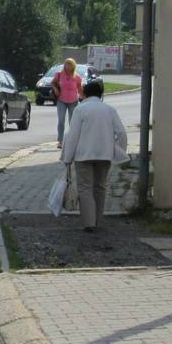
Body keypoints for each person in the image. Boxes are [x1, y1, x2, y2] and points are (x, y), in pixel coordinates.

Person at [60, 78, 128, 232]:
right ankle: (98, 220)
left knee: (85, 188)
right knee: (100, 187)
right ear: (101, 94)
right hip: (105, 154)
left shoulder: (80, 110)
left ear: (84, 94)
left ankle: (89, 223)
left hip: (83, 154)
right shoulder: (110, 110)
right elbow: (121, 133)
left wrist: (67, 157)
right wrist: (119, 151)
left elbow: (73, 136)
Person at [54, 58, 83, 145]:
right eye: (66, 64)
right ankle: (60, 141)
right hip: (61, 100)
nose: (68, 66)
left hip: (73, 101)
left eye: (70, 64)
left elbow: (80, 89)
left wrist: (84, 98)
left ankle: (72, 140)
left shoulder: (77, 77)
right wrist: (55, 88)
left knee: (73, 121)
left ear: (73, 66)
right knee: (61, 120)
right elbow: (53, 83)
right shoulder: (59, 75)